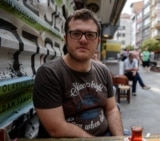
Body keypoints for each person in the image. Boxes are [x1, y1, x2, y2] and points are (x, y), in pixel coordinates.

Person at [33, 9, 124, 138]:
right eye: (76, 34)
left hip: (106, 135)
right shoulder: (49, 73)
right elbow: (56, 129)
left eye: (90, 35)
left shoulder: (102, 70)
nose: (83, 40)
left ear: (98, 41)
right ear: (66, 39)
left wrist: (118, 139)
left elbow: (111, 109)